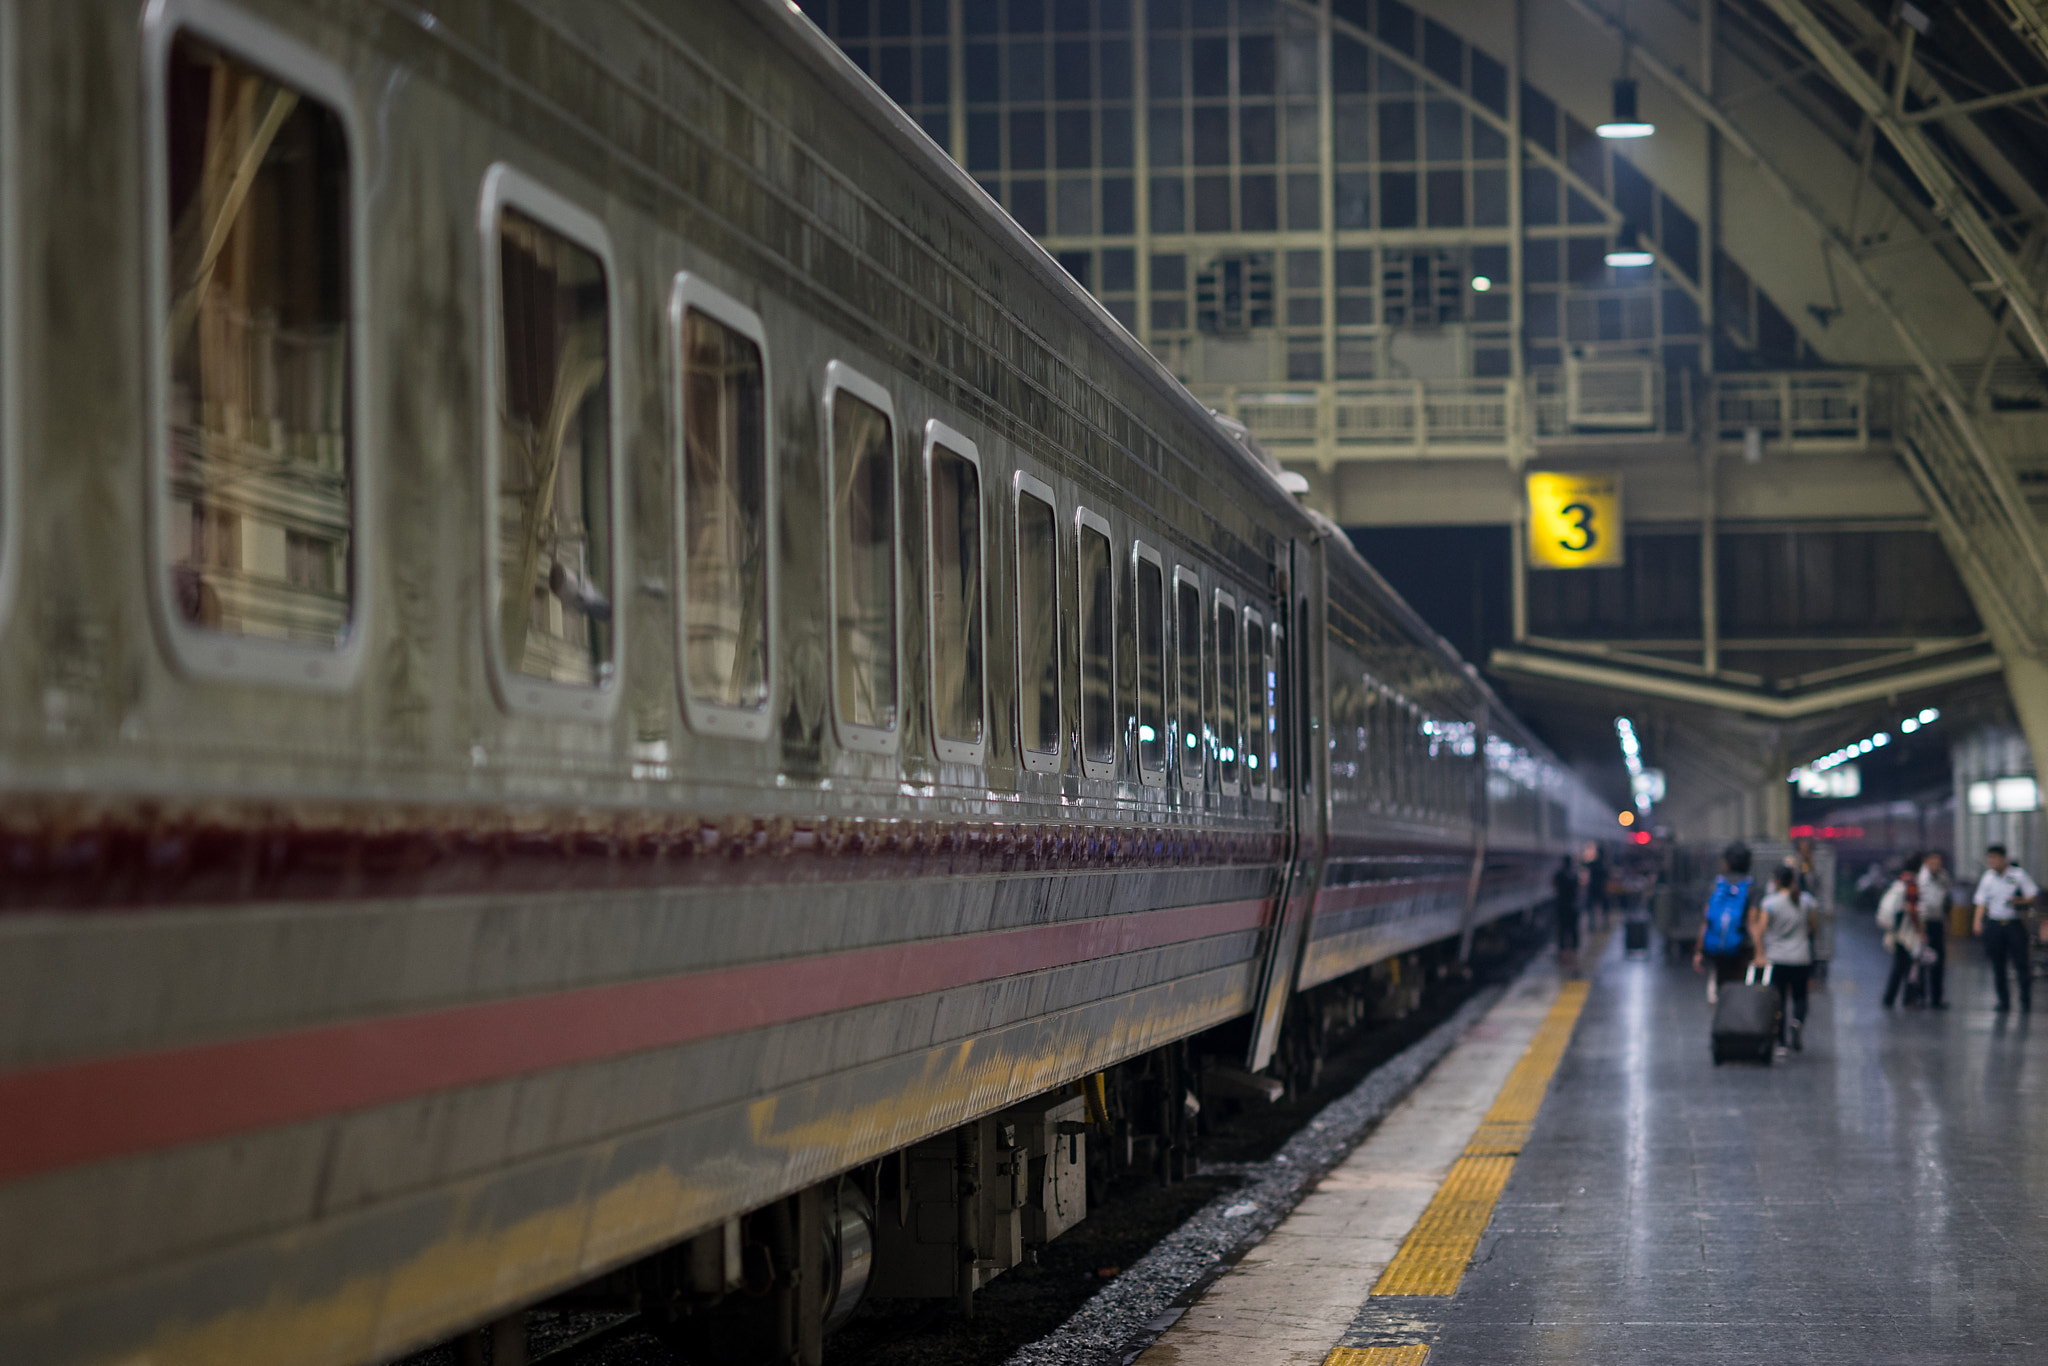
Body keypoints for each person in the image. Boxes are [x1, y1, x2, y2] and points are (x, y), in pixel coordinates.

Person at [1752, 866, 1814, 1054]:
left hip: (1777, 958)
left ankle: (1780, 1042)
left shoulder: (1770, 903)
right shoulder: (1807, 901)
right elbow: (1814, 927)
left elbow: (1760, 931)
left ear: (1777, 881)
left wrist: (1759, 953)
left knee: (1778, 999)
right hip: (1801, 957)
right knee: (1800, 996)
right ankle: (1797, 1022)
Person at [1973, 844, 2040, 1013]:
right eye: (1990, 858)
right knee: (1998, 964)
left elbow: (2032, 895)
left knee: (2021, 964)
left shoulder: (2018, 875)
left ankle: (2025, 1000)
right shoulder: (1987, 878)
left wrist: (2019, 901)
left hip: (2014, 923)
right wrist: (1977, 922)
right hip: (1995, 924)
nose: (1992, 862)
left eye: (1995, 858)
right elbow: (1981, 902)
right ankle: (2003, 1001)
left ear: (2004, 859)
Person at [1694, 843, 1762, 1005]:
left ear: (1726, 862)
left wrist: (1698, 951)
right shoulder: (1752, 887)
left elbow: (1706, 920)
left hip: (1717, 948)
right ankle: (1737, 1021)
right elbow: (1752, 922)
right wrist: (1760, 952)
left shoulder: (1716, 885)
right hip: (1742, 947)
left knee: (1721, 986)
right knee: (1740, 987)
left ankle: (1722, 1021)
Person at [1879, 853, 1929, 1009]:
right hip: (1907, 932)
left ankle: (1890, 997)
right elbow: (1913, 910)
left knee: (1899, 965)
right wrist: (1920, 932)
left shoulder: (1900, 880)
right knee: (1909, 967)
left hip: (1897, 929)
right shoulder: (1912, 883)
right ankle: (1907, 999)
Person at [1917, 850, 1953, 1009]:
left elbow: (1947, 900)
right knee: (1922, 961)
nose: (1936, 866)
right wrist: (1920, 929)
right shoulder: (1920, 879)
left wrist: (1947, 921)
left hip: (1938, 922)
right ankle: (1920, 996)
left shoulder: (1943, 877)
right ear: (1926, 862)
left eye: (1938, 863)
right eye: (1933, 862)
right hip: (1923, 923)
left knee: (1938, 960)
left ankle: (1937, 998)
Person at [1553, 854, 1581, 963]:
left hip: (1561, 906)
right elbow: (1578, 889)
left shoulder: (1559, 874)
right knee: (1573, 930)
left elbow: (1554, 886)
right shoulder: (1574, 875)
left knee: (1562, 930)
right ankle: (1573, 953)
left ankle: (1562, 953)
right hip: (1572, 906)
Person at [1583, 843, 1610, 931]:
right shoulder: (1605, 865)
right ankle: (1605, 925)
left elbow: (1584, 864)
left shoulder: (1593, 863)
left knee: (1591, 908)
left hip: (1593, 888)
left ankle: (1592, 926)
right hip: (1602, 888)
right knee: (1605, 908)